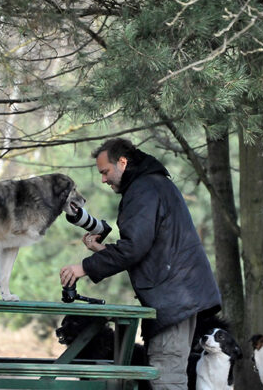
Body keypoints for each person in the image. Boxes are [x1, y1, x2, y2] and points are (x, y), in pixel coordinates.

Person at [60, 138, 221, 390]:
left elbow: (134, 247)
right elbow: (147, 249)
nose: (103, 179)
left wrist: (84, 267)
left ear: (122, 163)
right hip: (178, 296)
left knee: (166, 377)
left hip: (175, 299)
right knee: (166, 375)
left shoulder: (144, 189)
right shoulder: (151, 184)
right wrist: (102, 251)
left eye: (105, 172)